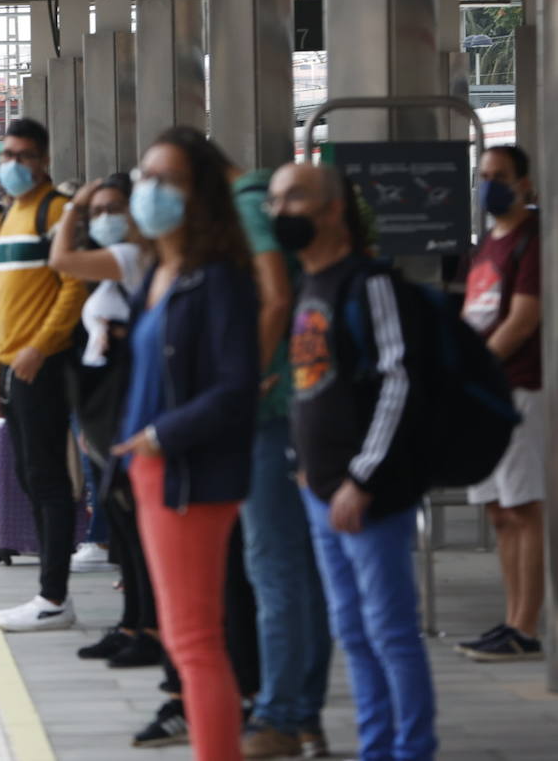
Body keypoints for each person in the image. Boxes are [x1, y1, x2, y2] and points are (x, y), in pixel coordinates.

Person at [269, 162, 436, 761]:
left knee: (390, 633)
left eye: (296, 198)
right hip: (321, 490)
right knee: (355, 634)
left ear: (334, 209)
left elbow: (401, 381)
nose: (280, 210)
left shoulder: (371, 284)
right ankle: (376, 747)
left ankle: (411, 750)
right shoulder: (309, 285)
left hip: (369, 494)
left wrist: (361, 477)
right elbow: (314, 386)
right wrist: (302, 462)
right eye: (276, 200)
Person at [107, 127, 260, 761]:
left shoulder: (218, 277)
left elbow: (235, 388)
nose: (148, 190)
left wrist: (157, 435)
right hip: (152, 470)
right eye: (145, 176)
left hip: (188, 471)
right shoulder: (159, 272)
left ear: (198, 194)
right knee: (184, 633)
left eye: (165, 179)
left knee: (194, 639)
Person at [227, 160, 333, 758]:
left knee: (275, 570)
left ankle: (282, 715)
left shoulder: (239, 206)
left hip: (272, 424)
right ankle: (301, 712)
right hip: (296, 422)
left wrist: (243, 380)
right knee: (299, 574)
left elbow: (271, 294)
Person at [49, 173, 163, 668]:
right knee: (124, 528)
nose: (103, 218)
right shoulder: (119, 265)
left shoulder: (133, 257)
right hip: (103, 406)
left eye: (112, 208)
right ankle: (133, 622)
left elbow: (60, 258)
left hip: (123, 406)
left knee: (136, 528)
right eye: (97, 211)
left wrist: (73, 206)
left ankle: (149, 628)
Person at [0, 118, 88, 632]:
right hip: (10, 365)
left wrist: (39, 348)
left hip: (41, 366)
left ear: (44, 160)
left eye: (23, 155)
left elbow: (73, 287)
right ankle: (51, 593)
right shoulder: (11, 216)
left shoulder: (56, 211)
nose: (13, 164)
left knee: (45, 476)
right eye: (7, 154)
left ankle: (54, 596)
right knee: (28, 474)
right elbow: (5, 302)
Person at [458, 144, 545, 661]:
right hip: (485, 392)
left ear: (524, 185)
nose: (490, 184)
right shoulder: (486, 244)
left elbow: (522, 318)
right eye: (484, 174)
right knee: (497, 510)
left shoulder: (531, 242)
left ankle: (525, 625)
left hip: (516, 387)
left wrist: (477, 370)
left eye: (501, 176)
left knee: (523, 508)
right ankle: (509, 618)